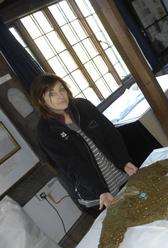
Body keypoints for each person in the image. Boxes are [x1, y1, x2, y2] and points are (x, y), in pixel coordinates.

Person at [31, 73, 138, 215]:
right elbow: (73, 166)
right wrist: (99, 190)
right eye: (52, 94)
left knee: (142, 200)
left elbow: (111, 135)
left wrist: (124, 161)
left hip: (119, 171)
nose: (61, 96)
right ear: (41, 100)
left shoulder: (83, 106)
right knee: (125, 219)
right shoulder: (46, 131)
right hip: (98, 191)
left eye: (61, 89)